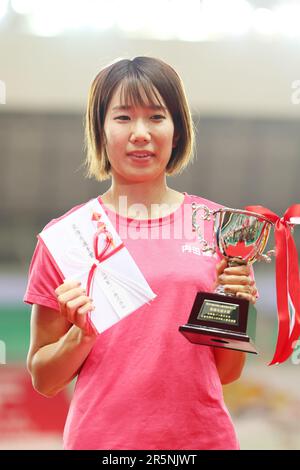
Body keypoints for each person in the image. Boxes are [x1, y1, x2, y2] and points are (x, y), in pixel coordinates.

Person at [24, 56, 258, 450]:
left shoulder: (220, 228)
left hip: (203, 441)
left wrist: (237, 308)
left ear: (177, 130)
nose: (140, 133)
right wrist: (80, 335)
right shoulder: (67, 237)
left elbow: (226, 372)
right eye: (122, 118)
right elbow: (44, 380)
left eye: (156, 116)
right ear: (100, 130)